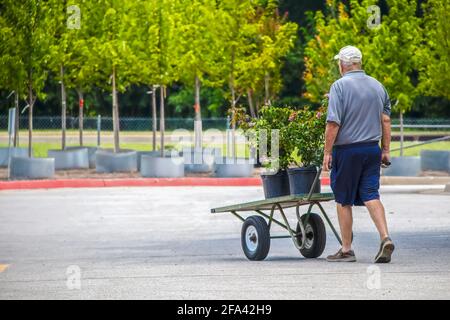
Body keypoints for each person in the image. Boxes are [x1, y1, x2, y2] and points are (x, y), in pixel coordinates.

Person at [323, 45, 395, 263]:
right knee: (371, 194)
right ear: (358, 63)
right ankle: (385, 237)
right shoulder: (378, 86)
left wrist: (327, 152)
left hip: (348, 151)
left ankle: (346, 249)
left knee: (343, 199)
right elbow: (386, 120)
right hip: (372, 149)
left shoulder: (339, 86)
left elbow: (333, 123)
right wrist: (385, 150)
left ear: (342, 65)